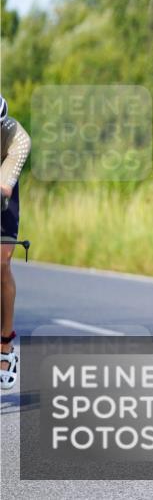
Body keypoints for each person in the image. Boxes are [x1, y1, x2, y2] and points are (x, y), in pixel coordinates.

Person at [1, 95, 31, 390]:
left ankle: (5, 343)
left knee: (2, 261)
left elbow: (4, 187)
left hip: (2, 187)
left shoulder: (18, 138)